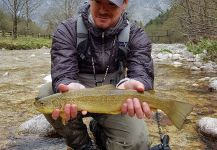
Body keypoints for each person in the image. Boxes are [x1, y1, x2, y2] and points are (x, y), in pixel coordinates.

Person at [39, 0, 154, 149]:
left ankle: (100, 131)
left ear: (125, 3)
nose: (102, 10)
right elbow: (63, 70)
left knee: (138, 142)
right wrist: (68, 84)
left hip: (114, 98)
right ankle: (82, 145)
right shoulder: (67, 30)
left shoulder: (136, 35)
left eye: (111, 4)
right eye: (98, 1)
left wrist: (139, 83)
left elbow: (142, 70)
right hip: (77, 98)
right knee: (46, 94)